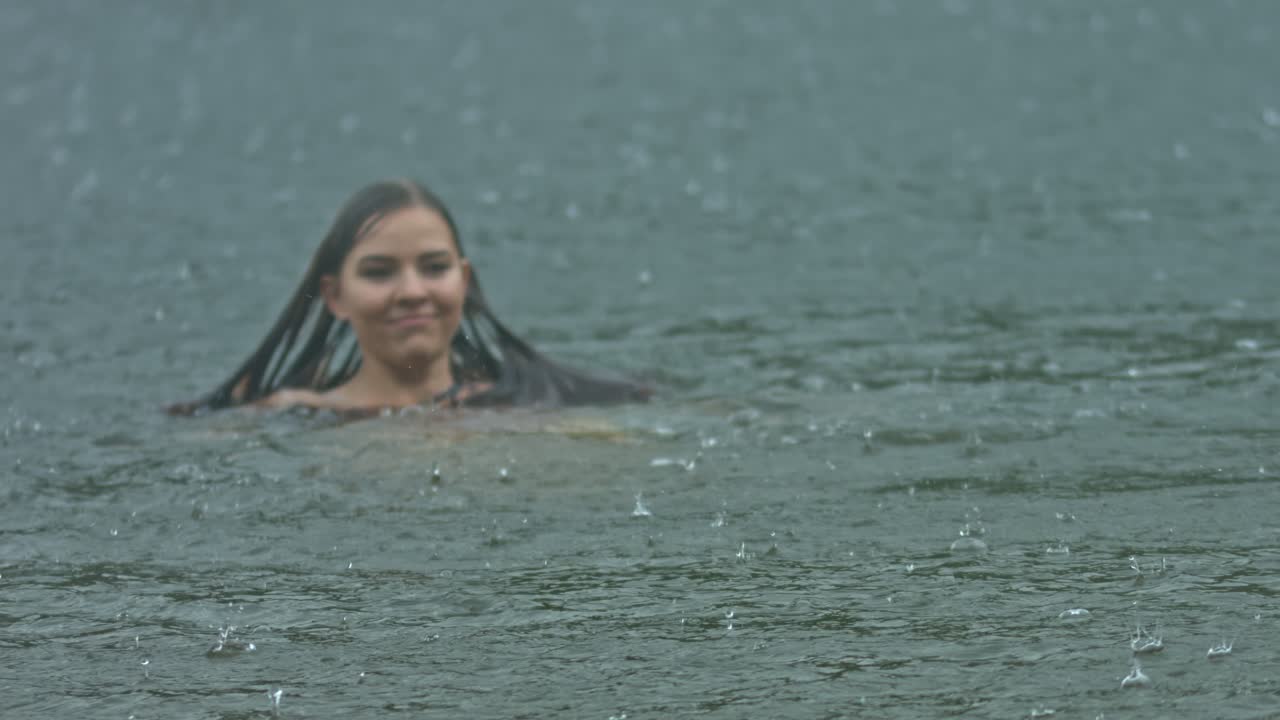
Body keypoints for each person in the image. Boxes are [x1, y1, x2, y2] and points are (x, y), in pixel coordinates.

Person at [169, 178, 650, 415]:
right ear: (335, 296)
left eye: (435, 268)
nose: (412, 292)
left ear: (464, 280)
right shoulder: (290, 416)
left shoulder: (532, 402)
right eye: (379, 272)